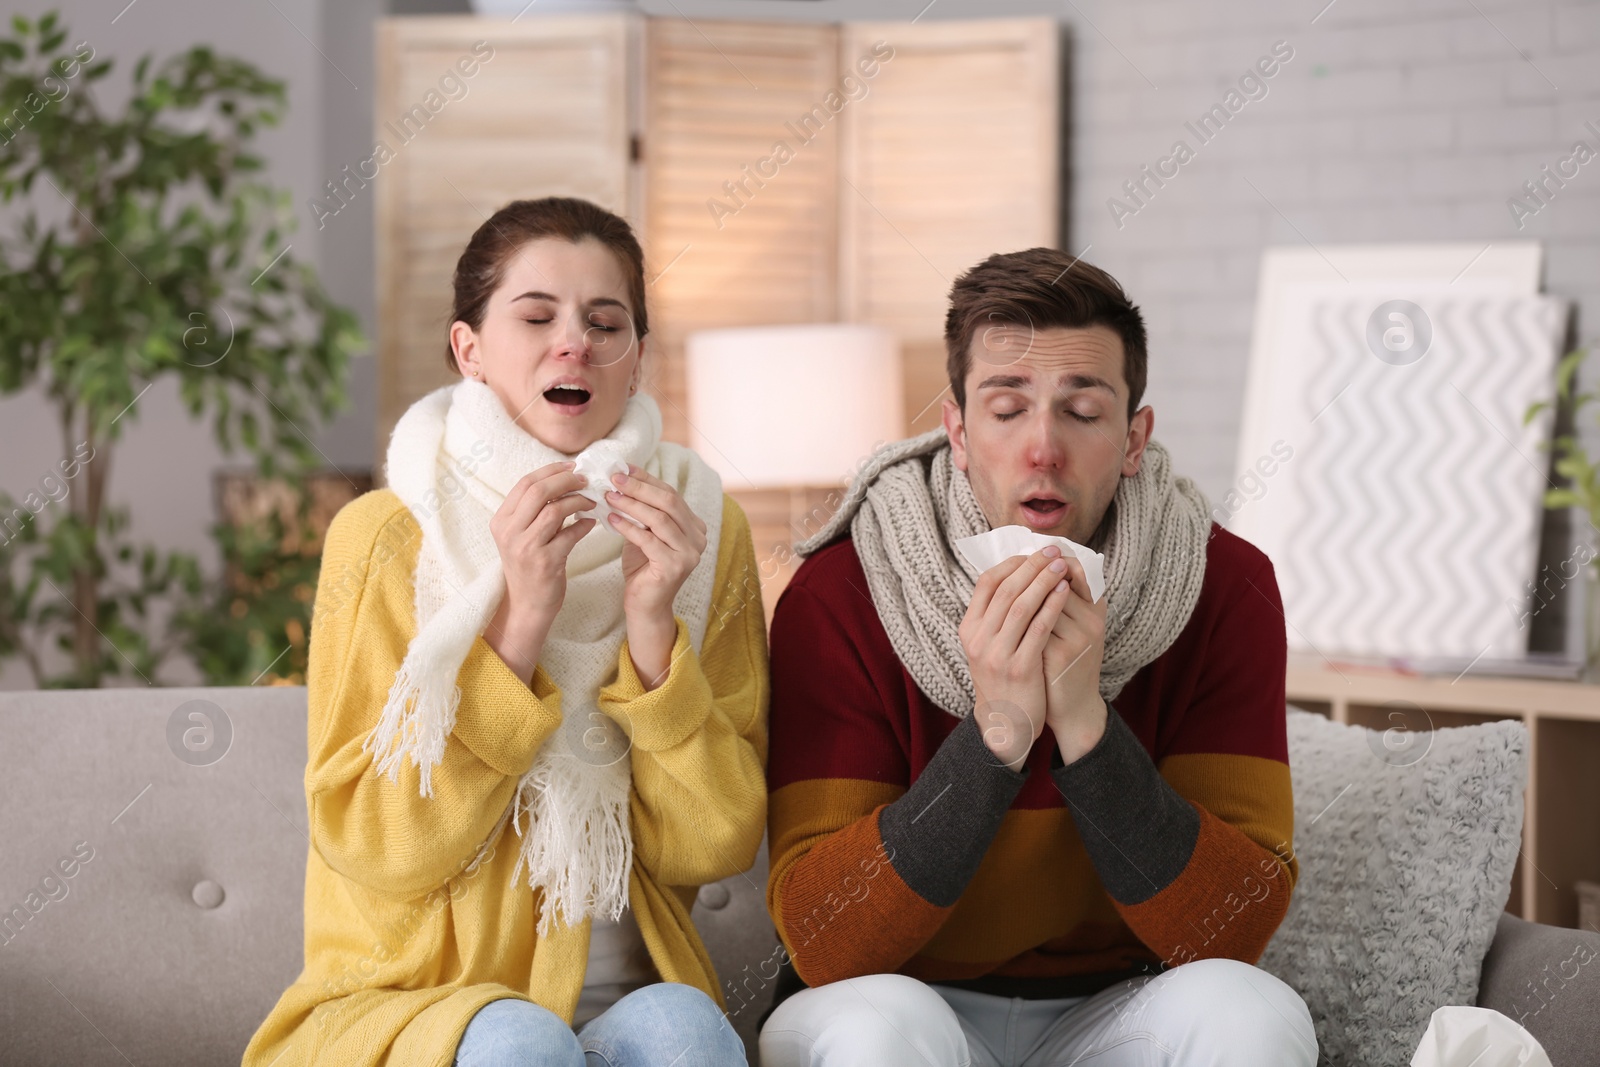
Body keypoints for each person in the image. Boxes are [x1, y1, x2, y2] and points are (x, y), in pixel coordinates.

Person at [758, 248, 1317, 1066]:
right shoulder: (845, 590)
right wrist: (997, 734)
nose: (1043, 448)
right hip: (905, 1002)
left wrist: (1086, 727)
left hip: (1120, 1006)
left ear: (1134, 438)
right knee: (870, 1030)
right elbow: (825, 941)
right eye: (1006, 408)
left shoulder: (1223, 584)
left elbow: (1232, 929)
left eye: (1083, 411)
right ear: (956, 431)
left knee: (1253, 1012)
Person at [243, 197, 766, 1067]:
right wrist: (519, 623)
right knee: (520, 1042)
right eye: (537, 317)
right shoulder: (386, 535)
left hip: (629, 998)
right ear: (470, 351)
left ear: (635, 363)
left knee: (685, 1030)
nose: (576, 343)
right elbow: (379, 843)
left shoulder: (702, 531)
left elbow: (714, 841)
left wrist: (651, 631)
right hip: (415, 1003)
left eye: (608, 322)